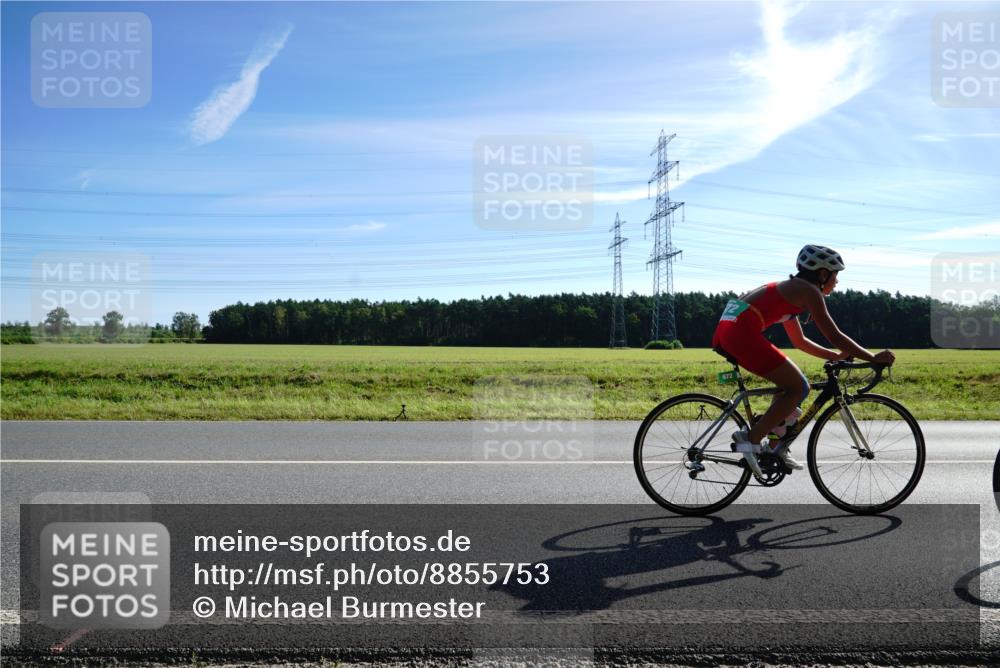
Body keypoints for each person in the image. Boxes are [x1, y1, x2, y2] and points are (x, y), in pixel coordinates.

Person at [708, 244, 895, 477]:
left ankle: (775, 446)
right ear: (823, 274)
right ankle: (751, 439)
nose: (837, 281)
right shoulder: (808, 291)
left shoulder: (792, 289)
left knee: (788, 387)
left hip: (730, 331)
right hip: (740, 334)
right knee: (799, 387)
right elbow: (834, 335)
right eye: (835, 275)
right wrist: (872, 357)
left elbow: (800, 341)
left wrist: (835, 356)